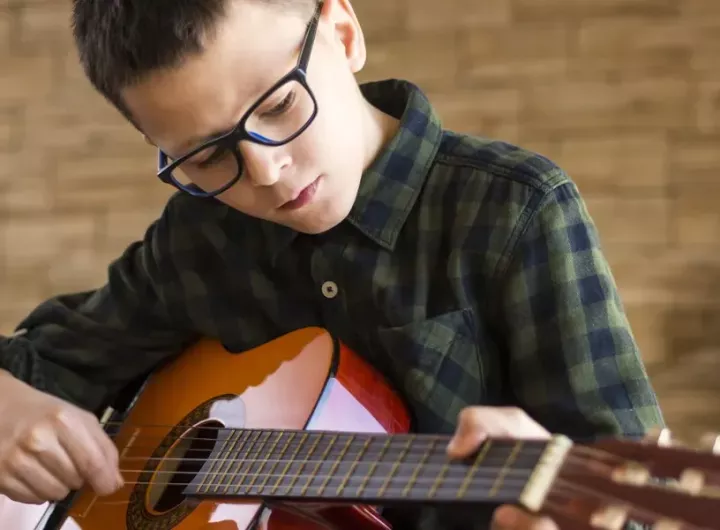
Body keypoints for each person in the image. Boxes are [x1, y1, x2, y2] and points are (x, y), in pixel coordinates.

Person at [0, 0, 665, 528]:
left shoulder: (515, 211)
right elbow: (46, 366)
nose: (264, 170)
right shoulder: (200, 239)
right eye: (205, 157)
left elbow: (630, 493)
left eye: (281, 105)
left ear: (342, 31)